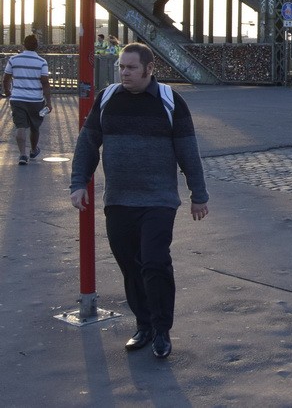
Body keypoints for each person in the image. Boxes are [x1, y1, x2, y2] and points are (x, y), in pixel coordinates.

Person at [69, 42, 209, 360]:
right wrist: (78, 183)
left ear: (149, 69)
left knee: (155, 262)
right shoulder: (106, 99)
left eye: (131, 67)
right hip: (118, 200)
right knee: (130, 267)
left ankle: (161, 330)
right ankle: (143, 325)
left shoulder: (170, 101)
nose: (124, 73)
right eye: (121, 67)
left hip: (158, 200)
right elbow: (88, 143)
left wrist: (198, 196)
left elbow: (189, 151)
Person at [3, 34, 52, 165]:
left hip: (17, 98)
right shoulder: (42, 62)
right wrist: (49, 102)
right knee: (35, 127)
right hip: (36, 100)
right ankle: (33, 150)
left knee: (20, 126)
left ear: (23, 45)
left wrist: (8, 91)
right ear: (36, 47)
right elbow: (45, 83)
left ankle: (22, 155)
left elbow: (6, 78)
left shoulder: (13, 60)